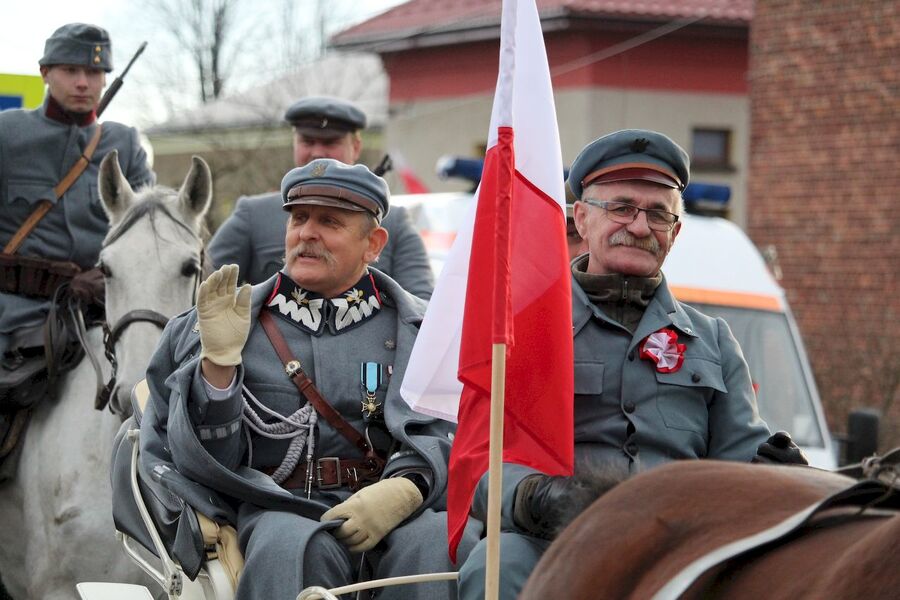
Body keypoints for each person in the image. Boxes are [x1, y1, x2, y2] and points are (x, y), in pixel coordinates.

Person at [457, 129, 803, 599]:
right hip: (556, 542)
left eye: (658, 214)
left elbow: (740, 456)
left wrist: (778, 469)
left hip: (680, 548)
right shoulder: (523, 331)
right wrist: (534, 496)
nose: (639, 227)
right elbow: (477, 460)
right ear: (581, 218)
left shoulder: (713, 340)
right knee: (496, 565)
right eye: (621, 208)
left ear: (675, 232)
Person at [139, 159, 457, 600]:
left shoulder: (424, 332)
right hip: (276, 508)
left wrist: (409, 488)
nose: (307, 233)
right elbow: (201, 462)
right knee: (291, 545)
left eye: (329, 222)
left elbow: (458, 430)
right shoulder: (219, 325)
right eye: (299, 218)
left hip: (393, 509)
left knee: (439, 542)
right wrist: (217, 369)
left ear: (374, 243)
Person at [0, 23, 154, 467]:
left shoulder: (124, 144)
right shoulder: (8, 136)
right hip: (12, 314)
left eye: (95, 71)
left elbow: (147, 240)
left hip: (95, 316)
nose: (84, 82)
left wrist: (104, 279)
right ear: (45, 72)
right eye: (70, 70)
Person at [208, 95, 435, 299]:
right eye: (307, 141)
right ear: (294, 144)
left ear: (356, 147)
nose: (317, 152)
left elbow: (421, 309)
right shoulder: (253, 214)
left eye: (330, 142)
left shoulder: (393, 222)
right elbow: (205, 289)